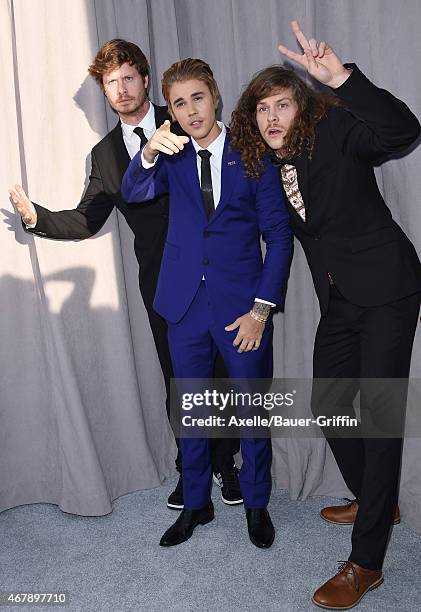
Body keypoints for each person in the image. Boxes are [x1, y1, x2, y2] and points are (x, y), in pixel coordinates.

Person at [230, 20, 421, 610]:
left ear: (302, 105)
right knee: (329, 402)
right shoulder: (269, 163)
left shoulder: (337, 129)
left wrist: (341, 79)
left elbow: (403, 131)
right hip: (340, 299)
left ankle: (367, 564)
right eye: (262, 108)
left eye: (282, 103)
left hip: (388, 287)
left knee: (381, 417)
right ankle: (375, 497)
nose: (272, 116)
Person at [8, 39, 242, 511]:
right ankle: (190, 467)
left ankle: (226, 463)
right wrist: (37, 218)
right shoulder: (107, 155)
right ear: (106, 91)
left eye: (128, 77)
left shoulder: (184, 116)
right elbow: (86, 219)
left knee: (225, 373)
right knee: (179, 378)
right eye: (111, 83)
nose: (121, 89)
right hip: (164, 283)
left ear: (145, 78)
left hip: (221, 274)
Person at [122, 58, 292, 547]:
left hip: (243, 306)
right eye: (178, 103)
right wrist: (150, 151)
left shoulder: (251, 152)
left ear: (214, 96)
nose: (190, 110)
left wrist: (262, 310)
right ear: (170, 111)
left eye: (197, 97)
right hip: (184, 304)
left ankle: (256, 504)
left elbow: (278, 237)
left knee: (251, 411)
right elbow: (133, 192)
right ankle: (196, 504)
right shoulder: (170, 155)